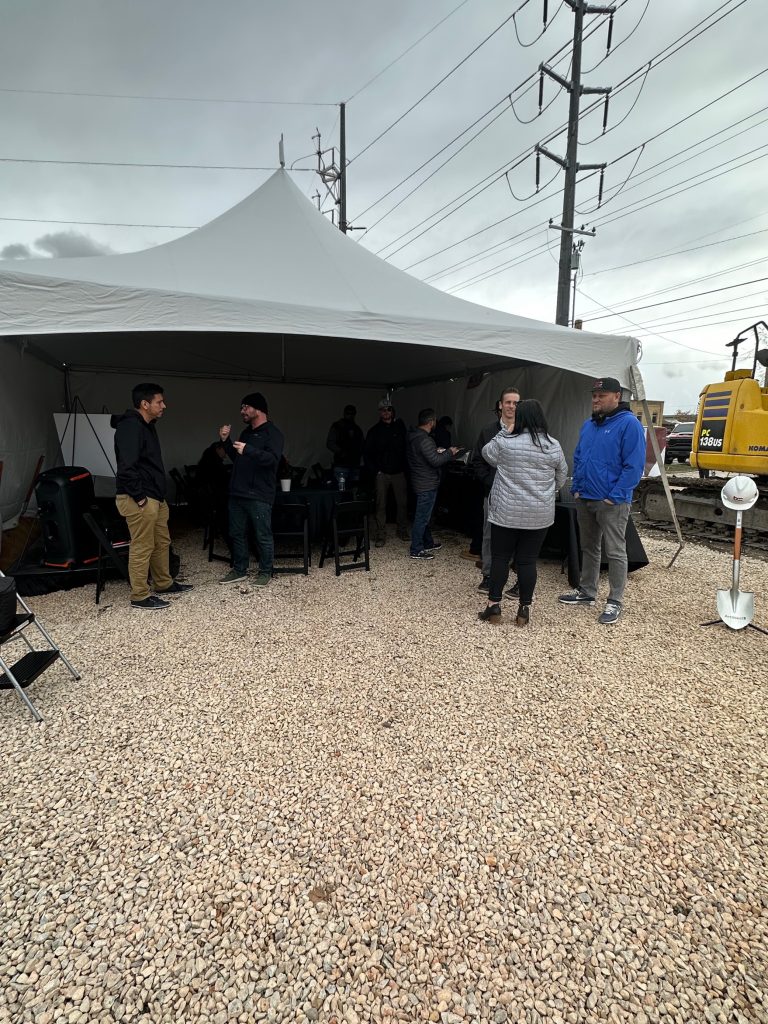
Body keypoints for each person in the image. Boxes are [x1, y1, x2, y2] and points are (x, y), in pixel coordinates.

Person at [558, 376, 646, 624]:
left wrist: (614, 497)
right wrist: (577, 488)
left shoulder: (629, 424)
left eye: (602, 396)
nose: (596, 399)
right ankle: (587, 592)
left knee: (616, 551)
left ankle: (615, 601)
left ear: (617, 396)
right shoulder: (589, 425)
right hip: (585, 497)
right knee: (589, 547)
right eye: (594, 396)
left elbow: (634, 466)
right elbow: (579, 455)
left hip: (611, 501)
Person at [478, 399, 567, 626]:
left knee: (500, 558)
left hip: (506, 513)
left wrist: (502, 432)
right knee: (528, 562)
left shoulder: (507, 442)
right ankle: (523, 610)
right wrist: (546, 493)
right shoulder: (553, 445)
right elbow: (561, 477)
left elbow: (487, 454)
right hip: (539, 515)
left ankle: (494, 606)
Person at [112, 383, 192, 609]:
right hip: (139, 498)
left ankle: (164, 583)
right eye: (159, 402)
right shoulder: (130, 427)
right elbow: (126, 467)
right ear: (144, 404)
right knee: (142, 545)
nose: (164, 405)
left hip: (155, 497)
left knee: (161, 542)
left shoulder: (147, 426)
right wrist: (139, 497)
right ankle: (139, 596)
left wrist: (157, 496)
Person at [218, 392, 284, 587]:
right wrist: (226, 442)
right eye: (241, 408)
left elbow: (272, 460)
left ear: (258, 409)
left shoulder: (273, 433)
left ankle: (265, 572)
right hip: (238, 492)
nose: (242, 411)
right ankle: (239, 569)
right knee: (236, 533)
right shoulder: (246, 432)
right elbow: (238, 457)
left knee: (262, 534)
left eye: (245, 407)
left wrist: (249, 450)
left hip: (259, 494)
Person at [470, 386, 520, 593]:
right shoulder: (488, 431)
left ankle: (519, 579)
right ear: (500, 405)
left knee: (519, 537)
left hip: (518, 495)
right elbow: (477, 461)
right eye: (508, 402)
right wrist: (489, 482)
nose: (511, 406)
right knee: (490, 535)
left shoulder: (525, 430)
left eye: (516, 403)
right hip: (493, 494)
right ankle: (488, 575)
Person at [406, 408, 460, 560]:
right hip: (426, 483)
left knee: (424, 515)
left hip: (419, 480)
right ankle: (416, 549)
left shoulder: (413, 436)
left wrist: (435, 450)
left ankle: (427, 542)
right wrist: (449, 452)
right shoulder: (425, 439)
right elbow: (435, 461)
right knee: (422, 517)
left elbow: (424, 456)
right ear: (431, 422)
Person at [364, 399, 409, 547]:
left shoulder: (400, 428)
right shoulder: (374, 431)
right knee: (380, 505)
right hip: (382, 473)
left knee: (402, 503)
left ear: (392, 411)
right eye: (383, 410)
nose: (386, 412)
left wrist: (405, 469)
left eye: (389, 409)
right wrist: (376, 471)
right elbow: (367, 454)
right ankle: (380, 535)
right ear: (379, 412)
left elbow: (407, 450)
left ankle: (402, 530)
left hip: (398, 473)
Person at [326, 404, 365, 488]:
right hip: (342, 465)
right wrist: (341, 452)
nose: (350, 415)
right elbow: (330, 443)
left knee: (352, 490)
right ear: (344, 413)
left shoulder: (357, 429)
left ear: (354, 414)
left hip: (354, 465)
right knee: (342, 490)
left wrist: (360, 459)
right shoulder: (337, 426)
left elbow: (362, 445)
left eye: (352, 413)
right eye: (348, 413)